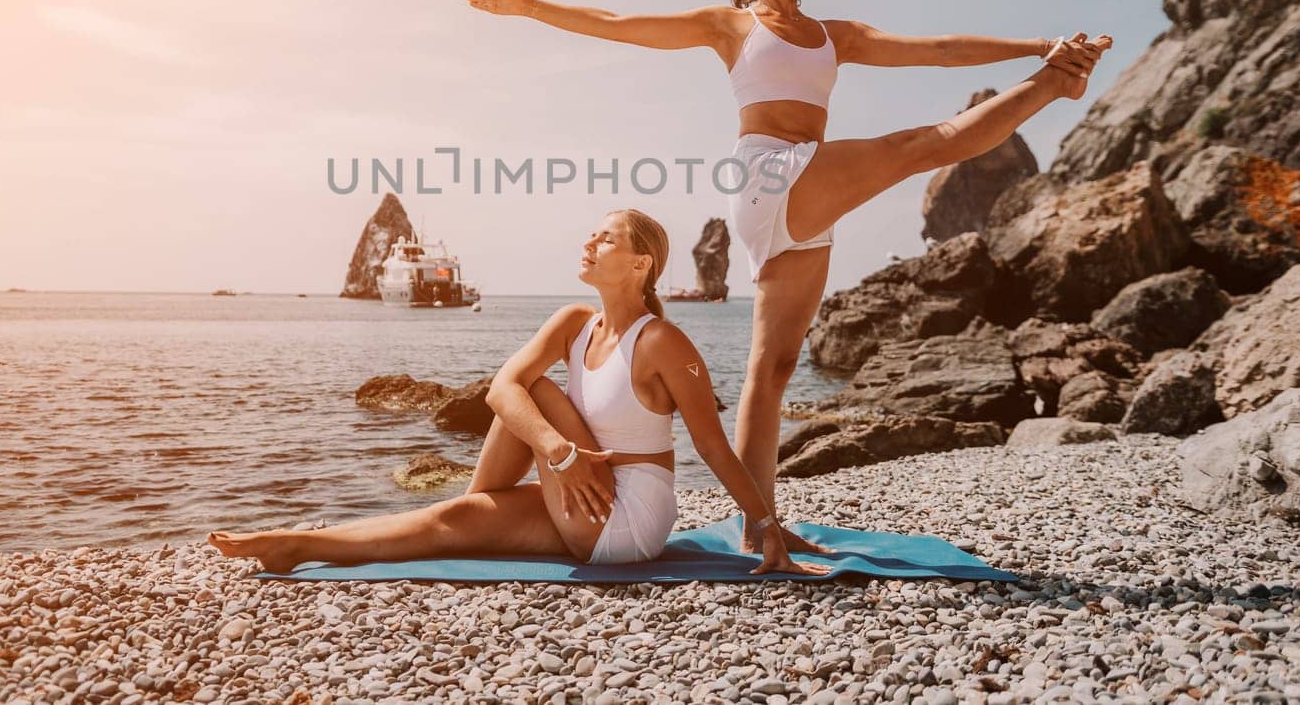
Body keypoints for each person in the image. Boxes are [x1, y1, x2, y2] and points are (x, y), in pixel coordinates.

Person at [458, 0, 1112, 552]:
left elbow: (939, 51)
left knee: (773, 368)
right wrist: (529, 6)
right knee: (917, 145)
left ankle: (756, 526)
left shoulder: (837, 34)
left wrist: (1035, 42)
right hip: (771, 175)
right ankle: (1056, 84)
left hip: (805, 199)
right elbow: (621, 25)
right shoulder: (730, 25)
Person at [209, 209, 835, 574]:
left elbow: (712, 444)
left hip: (629, 517)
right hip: (578, 487)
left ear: (640, 265)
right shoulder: (571, 323)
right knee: (457, 513)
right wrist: (559, 454)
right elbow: (499, 390)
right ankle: (296, 544)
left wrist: (766, 526)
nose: (589, 244)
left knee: (542, 395)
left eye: (606, 239)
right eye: (591, 235)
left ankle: (486, 508)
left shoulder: (661, 343)